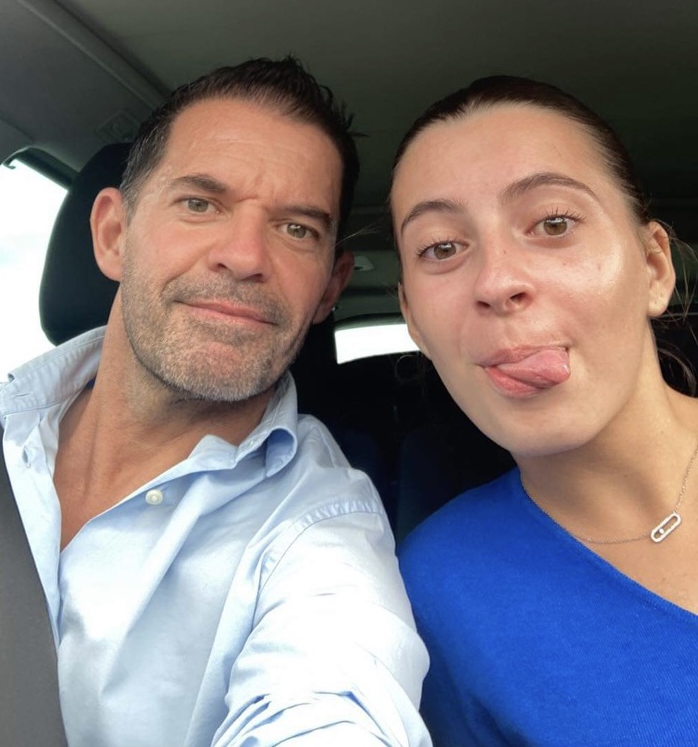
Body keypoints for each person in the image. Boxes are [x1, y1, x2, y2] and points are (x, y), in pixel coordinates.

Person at [0, 57, 430, 747]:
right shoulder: (11, 421)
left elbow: (334, 700)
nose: (244, 256)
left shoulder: (319, 535)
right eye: (200, 204)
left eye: (297, 229)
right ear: (113, 235)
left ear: (329, 288)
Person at [392, 75, 698, 746]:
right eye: (441, 248)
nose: (497, 282)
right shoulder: (432, 593)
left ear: (653, 267)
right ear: (412, 317)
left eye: (554, 224)